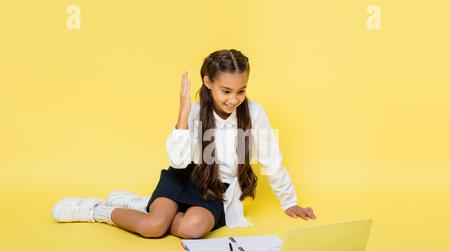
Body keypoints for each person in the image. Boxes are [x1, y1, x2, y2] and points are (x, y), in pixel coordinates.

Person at [52, 49, 316, 239]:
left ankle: (143, 204)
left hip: (216, 190)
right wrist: (182, 113)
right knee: (154, 227)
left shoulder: (255, 113)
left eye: (241, 90)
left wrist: (288, 201)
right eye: (226, 90)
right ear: (208, 82)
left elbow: (272, 158)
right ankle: (98, 210)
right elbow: (178, 162)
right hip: (184, 177)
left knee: (192, 230)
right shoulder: (195, 112)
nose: (234, 99)